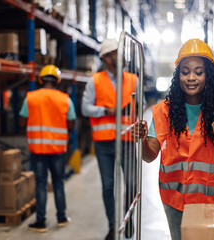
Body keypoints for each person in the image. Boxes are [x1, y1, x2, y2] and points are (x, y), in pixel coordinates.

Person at [130, 39, 214, 240]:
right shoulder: (164, 110)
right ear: (178, 75)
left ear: (208, 75)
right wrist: (143, 140)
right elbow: (149, 156)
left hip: (213, 200)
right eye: (185, 72)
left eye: (198, 72)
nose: (191, 77)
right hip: (175, 201)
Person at [81, 38, 138, 240]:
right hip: (104, 142)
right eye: (116, 53)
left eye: (121, 52)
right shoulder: (94, 81)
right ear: (106, 58)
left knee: (132, 183)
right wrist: (105, 110)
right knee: (108, 185)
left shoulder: (133, 80)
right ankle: (113, 225)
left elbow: (138, 107)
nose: (121, 55)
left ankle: (128, 218)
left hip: (128, 141)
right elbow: (85, 107)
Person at [19, 64, 76, 232]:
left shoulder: (30, 98)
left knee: (41, 184)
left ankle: (41, 221)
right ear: (57, 81)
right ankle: (61, 217)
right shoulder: (65, 99)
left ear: (40, 80)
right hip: (58, 149)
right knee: (58, 182)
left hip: (38, 149)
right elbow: (71, 125)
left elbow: (22, 121)